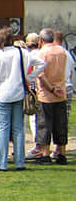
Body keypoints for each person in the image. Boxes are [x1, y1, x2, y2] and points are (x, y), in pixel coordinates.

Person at [0, 28, 46, 171]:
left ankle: (2, 162)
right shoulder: (22, 52)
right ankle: (20, 162)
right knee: (19, 128)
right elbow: (42, 64)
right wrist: (29, 77)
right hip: (18, 93)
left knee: (4, 128)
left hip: (2, 94)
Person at [33, 28, 69, 165]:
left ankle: (45, 154)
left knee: (44, 124)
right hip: (61, 92)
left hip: (47, 94)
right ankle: (62, 153)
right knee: (61, 124)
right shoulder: (62, 51)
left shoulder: (42, 53)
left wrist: (51, 89)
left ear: (41, 40)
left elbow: (40, 75)